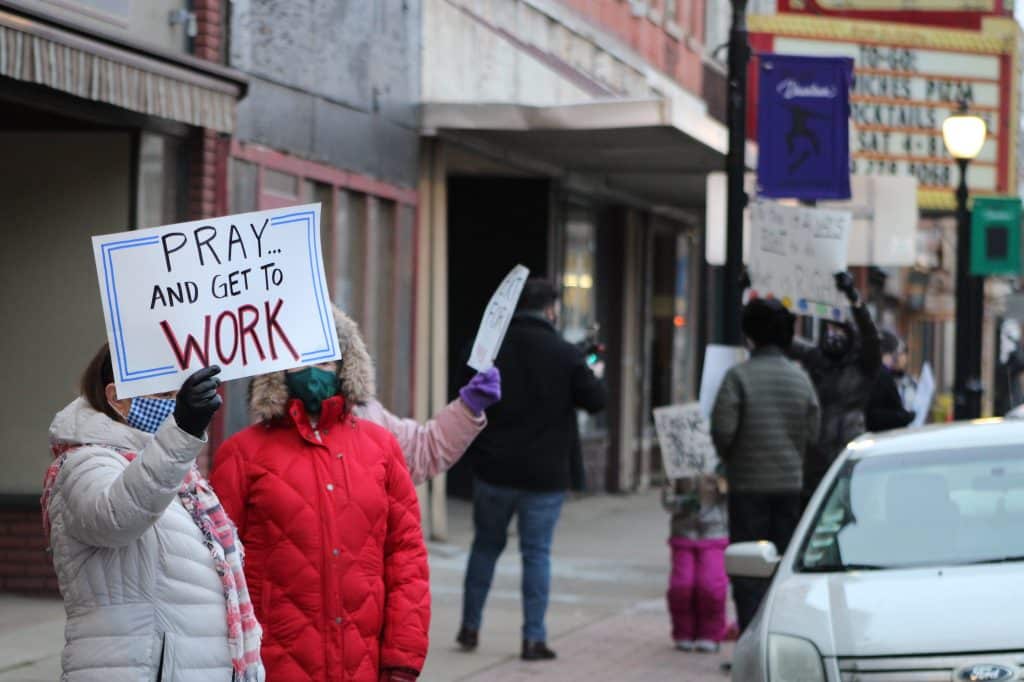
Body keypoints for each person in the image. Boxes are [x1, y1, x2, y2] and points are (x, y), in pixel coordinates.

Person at [210, 307, 430, 682]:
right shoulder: (241, 454)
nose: (314, 372)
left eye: (325, 360)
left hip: (362, 662)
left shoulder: (381, 448)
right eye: (301, 359)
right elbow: (218, 568)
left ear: (345, 366)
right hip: (272, 664)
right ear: (277, 369)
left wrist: (402, 656)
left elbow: (406, 556)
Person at [42, 346, 263, 681]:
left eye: (179, 396)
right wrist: (182, 431)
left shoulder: (172, 472)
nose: (173, 406)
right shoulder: (85, 462)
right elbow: (116, 517)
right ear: (117, 399)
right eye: (163, 395)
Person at [456, 278, 607, 661]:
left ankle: (470, 627)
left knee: (484, 547)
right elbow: (596, 401)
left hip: (494, 468)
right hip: (545, 474)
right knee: (537, 554)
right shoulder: (566, 354)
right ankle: (533, 638)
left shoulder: (492, 348)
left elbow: (464, 388)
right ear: (551, 309)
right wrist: (593, 368)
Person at [711, 298, 820, 632]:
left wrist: (732, 458)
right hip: (790, 486)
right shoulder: (801, 380)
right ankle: (779, 631)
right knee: (783, 565)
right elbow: (813, 434)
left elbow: (723, 430)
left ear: (749, 334)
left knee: (747, 566)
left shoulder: (738, 377)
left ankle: (751, 633)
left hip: (747, 485)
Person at [790, 272, 881, 502]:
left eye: (840, 331)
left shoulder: (863, 367)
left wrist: (854, 300)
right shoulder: (817, 360)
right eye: (830, 330)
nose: (834, 336)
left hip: (849, 456)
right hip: (815, 460)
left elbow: (871, 337)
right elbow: (783, 339)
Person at [662, 472, 729, 654]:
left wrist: (721, 484)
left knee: (710, 586)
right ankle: (683, 632)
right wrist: (684, 502)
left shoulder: (720, 463)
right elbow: (667, 500)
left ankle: (710, 633)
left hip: (714, 531)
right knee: (681, 586)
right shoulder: (677, 464)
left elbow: (734, 495)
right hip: (683, 533)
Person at [866, 330, 915, 432]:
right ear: (893, 354)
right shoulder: (883, 376)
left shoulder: (870, 371)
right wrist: (907, 416)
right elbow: (876, 415)